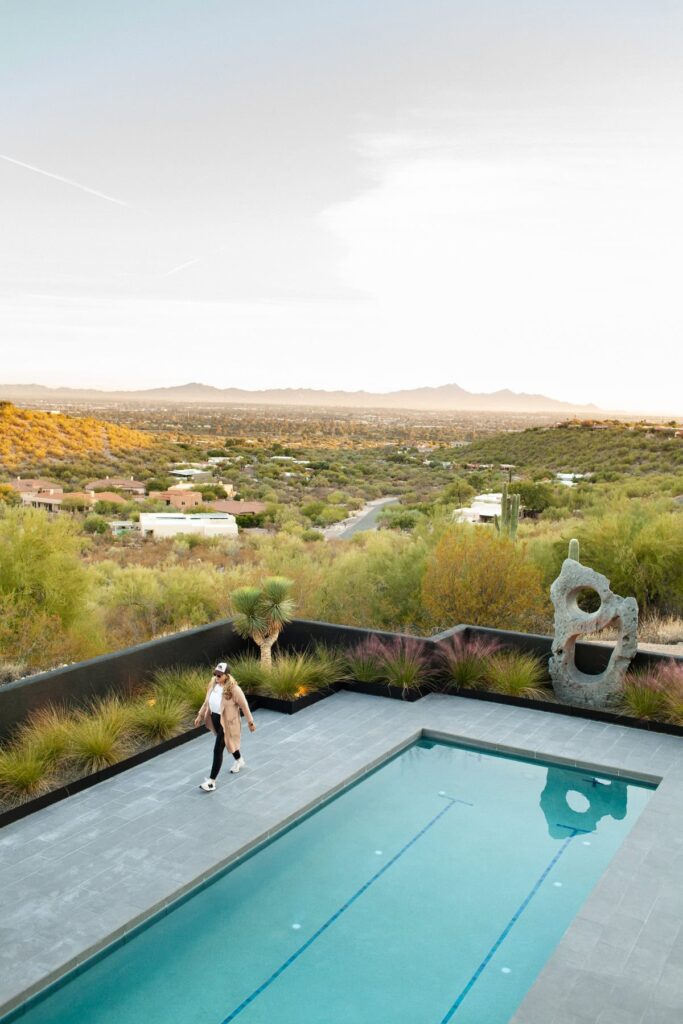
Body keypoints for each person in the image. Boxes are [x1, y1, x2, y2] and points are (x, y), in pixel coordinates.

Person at [195, 662, 256, 792]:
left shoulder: (234, 689)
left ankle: (211, 782)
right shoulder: (213, 685)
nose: (216, 677)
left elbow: (244, 706)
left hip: (228, 724)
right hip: (216, 720)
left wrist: (250, 722)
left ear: (227, 675)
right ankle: (239, 760)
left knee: (218, 749)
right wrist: (200, 715)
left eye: (219, 675)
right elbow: (206, 702)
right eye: (215, 674)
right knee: (228, 742)